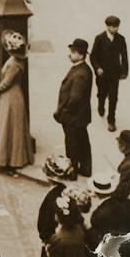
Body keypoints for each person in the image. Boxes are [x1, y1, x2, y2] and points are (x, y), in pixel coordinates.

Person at [0, 33, 34, 172]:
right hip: (12, 96)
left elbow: (6, 83)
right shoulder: (15, 61)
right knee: (12, 128)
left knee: (8, 128)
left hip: (11, 97)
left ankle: (8, 159)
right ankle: (12, 159)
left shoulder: (14, 64)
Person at [57, 39, 94, 177]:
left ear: (82, 55)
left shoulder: (81, 73)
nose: (70, 55)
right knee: (82, 142)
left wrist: (65, 111)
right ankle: (85, 169)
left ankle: (72, 172)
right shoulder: (83, 69)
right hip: (81, 116)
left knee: (73, 145)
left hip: (74, 117)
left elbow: (75, 98)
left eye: (73, 52)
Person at [91, 16, 129, 131]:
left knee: (113, 97)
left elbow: (125, 56)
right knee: (102, 93)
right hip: (102, 74)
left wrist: (124, 71)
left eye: (117, 26)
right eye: (114, 27)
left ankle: (111, 120)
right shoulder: (99, 38)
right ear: (108, 27)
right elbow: (93, 56)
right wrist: (97, 68)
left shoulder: (121, 39)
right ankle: (101, 104)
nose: (116, 29)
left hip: (114, 74)